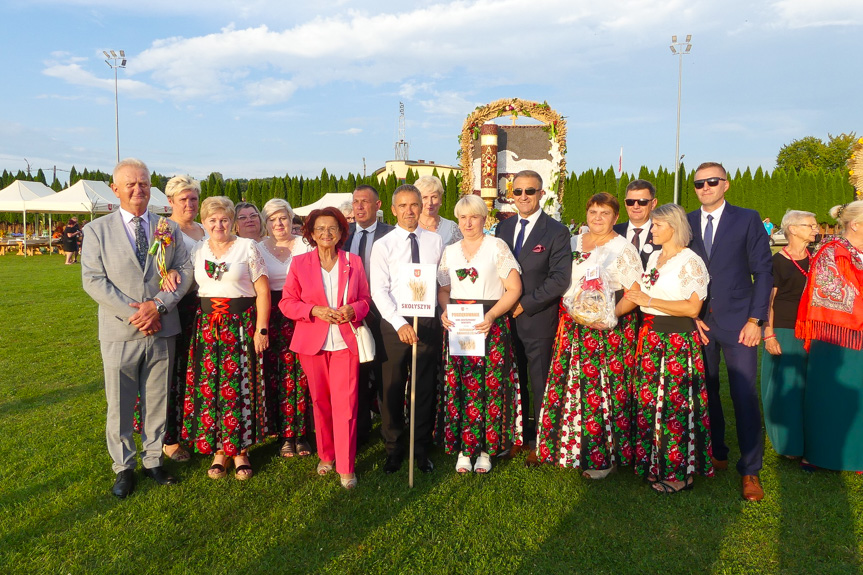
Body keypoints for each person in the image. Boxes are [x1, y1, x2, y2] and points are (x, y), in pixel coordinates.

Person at [81, 158, 193, 498]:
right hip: (120, 330)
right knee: (120, 402)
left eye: (143, 183)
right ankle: (124, 467)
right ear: (115, 190)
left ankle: (154, 459)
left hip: (162, 327)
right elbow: (93, 281)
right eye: (130, 184)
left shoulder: (168, 228)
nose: (138, 189)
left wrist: (157, 306)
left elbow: (184, 270)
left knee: (157, 399)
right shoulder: (96, 230)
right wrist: (137, 314)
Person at [535, 193, 641, 478]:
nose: (597, 218)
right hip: (573, 324)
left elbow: (635, 293)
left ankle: (604, 457)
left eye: (604, 213)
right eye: (593, 211)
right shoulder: (573, 242)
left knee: (601, 392)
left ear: (615, 218)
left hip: (606, 330)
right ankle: (569, 447)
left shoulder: (623, 249)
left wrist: (609, 316)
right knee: (572, 387)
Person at [686, 162, 773, 502]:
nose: (705, 187)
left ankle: (750, 470)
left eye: (711, 181)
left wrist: (756, 320)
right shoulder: (687, 221)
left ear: (726, 185)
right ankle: (716, 452)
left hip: (740, 323)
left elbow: (763, 271)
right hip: (701, 322)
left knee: (743, 394)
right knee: (705, 391)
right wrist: (690, 316)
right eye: (698, 183)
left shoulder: (747, 218)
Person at [623, 204, 713, 493]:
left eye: (658, 225)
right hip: (650, 338)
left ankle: (678, 472)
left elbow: (692, 306)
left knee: (674, 406)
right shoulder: (655, 258)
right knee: (651, 404)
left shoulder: (690, 261)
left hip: (675, 342)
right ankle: (655, 464)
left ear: (673, 226)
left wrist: (649, 301)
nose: (652, 230)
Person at [280, 206, 371, 489]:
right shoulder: (299, 263)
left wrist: (353, 310)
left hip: (345, 343)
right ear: (311, 233)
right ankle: (327, 455)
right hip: (312, 343)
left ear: (342, 232)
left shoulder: (352, 262)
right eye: (320, 229)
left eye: (332, 228)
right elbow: (287, 303)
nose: (326, 233)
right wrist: (315, 310)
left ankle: (346, 466)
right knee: (320, 402)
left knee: (346, 406)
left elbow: (366, 299)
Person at [182, 196, 270, 480]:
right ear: (204, 222)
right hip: (208, 328)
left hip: (240, 327)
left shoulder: (248, 247)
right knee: (211, 388)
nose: (218, 225)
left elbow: (263, 292)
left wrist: (261, 329)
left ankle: (240, 451)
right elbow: (186, 278)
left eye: (223, 219)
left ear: (232, 221)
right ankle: (220, 449)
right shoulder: (198, 249)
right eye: (212, 220)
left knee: (238, 388)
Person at [437, 194, 523, 474]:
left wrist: (492, 315)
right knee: (461, 386)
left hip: (489, 324)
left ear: (484, 219)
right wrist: (444, 310)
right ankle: (464, 448)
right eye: (462, 217)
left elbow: (514, 289)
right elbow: (445, 290)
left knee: (489, 387)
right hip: (459, 326)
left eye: (473, 216)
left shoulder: (497, 247)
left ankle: (486, 448)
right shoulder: (450, 252)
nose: (468, 222)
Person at [494, 170, 572, 465]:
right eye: (518, 192)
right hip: (505, 318)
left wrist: (524, 304)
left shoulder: (556, 231)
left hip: (537, 317)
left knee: (539, 380)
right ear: (511, 195)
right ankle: (518, 437)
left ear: (541, 193)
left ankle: (543, 441)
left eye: (530, 191)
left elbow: (559, 279)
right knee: (514, 381)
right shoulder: (503, 229)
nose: (523, 197)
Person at [369, 184, 443, 474]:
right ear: (393, 209)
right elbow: (379, 290)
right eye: (403, 206)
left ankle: (420, 448)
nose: (409, 211)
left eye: (414, 205)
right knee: (393, 387)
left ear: (422, 206)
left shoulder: (435, 241)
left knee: (424, 386)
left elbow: (441, 282)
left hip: (426, 321)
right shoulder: (383, 245)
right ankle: (393, 448)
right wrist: (399, 324)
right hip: (394, 322)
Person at [797, 201, 863, 471]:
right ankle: (820, 455)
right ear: (856, 225)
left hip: (852, 334)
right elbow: (834, 292)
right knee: (830, 397)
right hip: (836, 336)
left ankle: (856, 455)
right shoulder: (830, 251)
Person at [154, 175, 207, 462]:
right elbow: (157, 266)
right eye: (183, 199)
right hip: (180, 307)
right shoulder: (165, 228)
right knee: (175, 373)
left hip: (208, 308)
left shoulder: (205, 227)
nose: (189, 203)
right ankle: (170, 438)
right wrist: (169, 271)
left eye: (193, 198)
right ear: (170, 202)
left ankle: (198, 429)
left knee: (201, 373)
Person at [760, 210, 818, 461]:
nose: (816, 229)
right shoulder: (777, 262)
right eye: (810, 225)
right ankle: (788, 444)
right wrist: (769, 334)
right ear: (792, 229)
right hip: (784, 329)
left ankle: (809, 440)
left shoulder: (816, 259)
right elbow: (768, 300)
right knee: (787, 388)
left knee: (808, 387)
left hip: (813, 330)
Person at [259, 198, 313, 458]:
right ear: (265, 223)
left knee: (301, 375)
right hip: (271, 316)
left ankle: (302, 433)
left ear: (291, 219)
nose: (278, 223)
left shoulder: (306, 245)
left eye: (283, 218)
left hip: (302, 315)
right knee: (277, 376)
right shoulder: (256, 248)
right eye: (272, 219)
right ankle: (283, 434)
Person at [344, 185, 394, 446]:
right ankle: (360, 431)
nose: (359, 206)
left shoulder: (392, 235)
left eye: (365, 201)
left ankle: (389, 432)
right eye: (355, 202)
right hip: (352, 316)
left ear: (378, 205)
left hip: (383, 314)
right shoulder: (344, 235)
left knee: (385, 373)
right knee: (356, 375)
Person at [613, 179, 660, 269]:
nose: (636, 206)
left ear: (653, 204)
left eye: (642, 202)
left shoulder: (663, 234)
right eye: (630, 202)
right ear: (625, 204)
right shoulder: (613, 232)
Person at [416, 175, 462, 246]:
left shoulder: (451, 228)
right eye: (424, 197)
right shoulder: (409, 226)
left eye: (434, 197)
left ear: (440, 199)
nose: (430, 202)